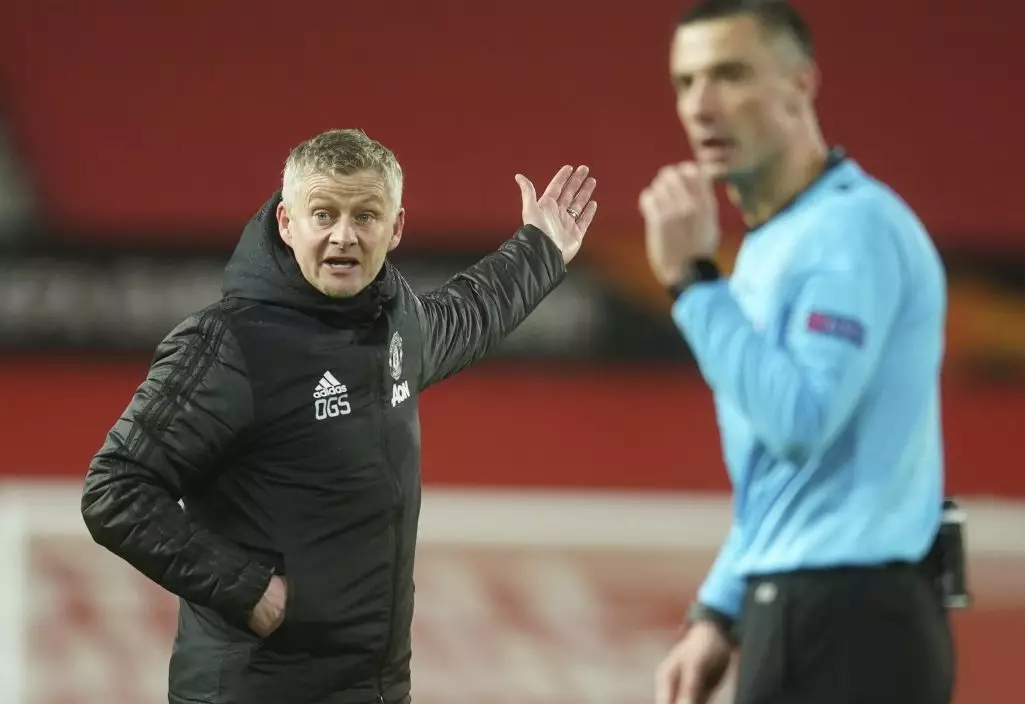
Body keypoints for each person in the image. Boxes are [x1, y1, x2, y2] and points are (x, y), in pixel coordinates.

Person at [81, 128, 597, 704]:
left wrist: (542, 248)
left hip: (372, 686)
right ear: (287, 223)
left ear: (396, 228)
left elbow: (468, 313)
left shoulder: (395, 322)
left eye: (365, 216)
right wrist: (250, 592)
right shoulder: (230, 344)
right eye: (323, 214)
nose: (343, 236)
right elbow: (115, 489)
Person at [640, 2, 954, 703]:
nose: (700, 106)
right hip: (811, 610)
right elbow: (782, 488)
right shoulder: (777, 240)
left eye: (729, 75)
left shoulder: (847, 231)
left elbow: (799, 422)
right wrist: (719, 610)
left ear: (799, 85)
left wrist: (691, 283)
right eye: (685, 82)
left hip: (847, 626)